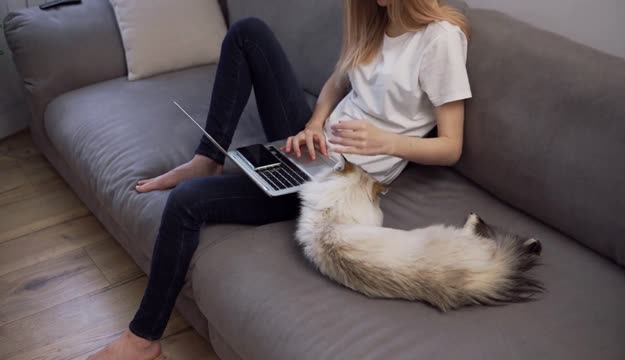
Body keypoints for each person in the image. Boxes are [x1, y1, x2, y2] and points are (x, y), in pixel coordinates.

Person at [90, 0, 472, 358]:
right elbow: (336, 85)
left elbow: (451, 146)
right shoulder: (376, 21)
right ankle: (208, 157)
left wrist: (385, 141)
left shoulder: (441, 39)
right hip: (316, 149)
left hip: (338, 183)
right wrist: (314, 124)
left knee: (187, 201)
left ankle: (141, 340)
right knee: (248, 33)